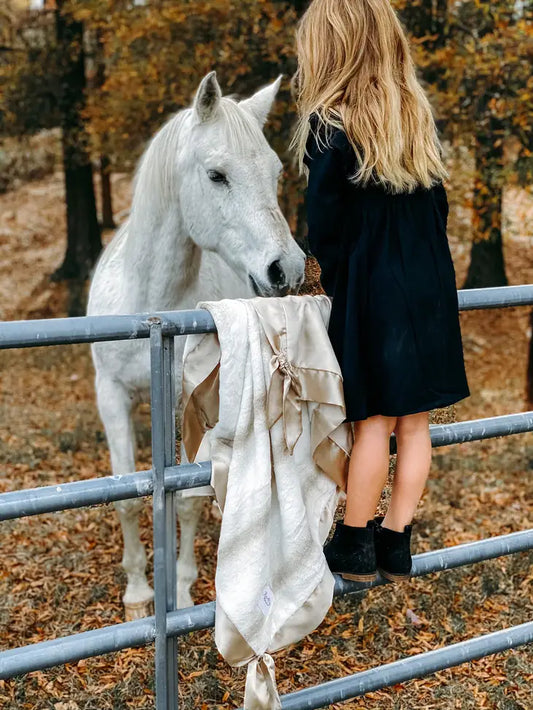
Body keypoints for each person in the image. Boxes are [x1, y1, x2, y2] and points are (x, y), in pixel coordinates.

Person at [291, 0, 470, 583]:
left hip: (375, 291)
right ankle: (395, 541)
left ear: (330, 47)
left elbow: (326, 228)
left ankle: (352, 543)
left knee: (372, 422)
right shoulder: (413, 118)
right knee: (414, 422)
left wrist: (342, 282)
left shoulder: (331, 124)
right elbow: (437, 208)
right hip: (430, 288)